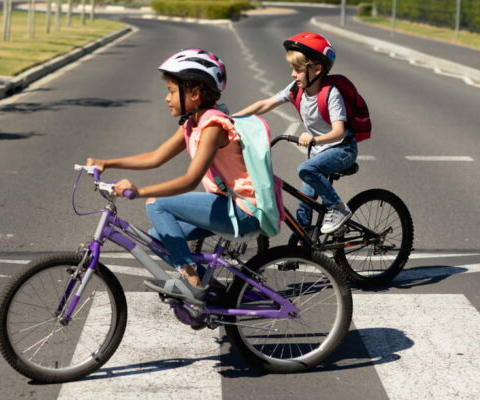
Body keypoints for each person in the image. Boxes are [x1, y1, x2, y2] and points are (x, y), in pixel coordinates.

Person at [85, 49, 259, 306]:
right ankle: (213, 295)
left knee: (157, 202)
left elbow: (190, 180)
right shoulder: (193, 123)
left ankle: (193, 285)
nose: (166, 98)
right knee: (159, 238)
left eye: (170, 90)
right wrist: (107, 163)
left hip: (243, 210)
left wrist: (142, 192)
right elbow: (155, 157)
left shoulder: (213, 127)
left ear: (195, 94)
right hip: (226, 206)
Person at [235, 32, 356, 234]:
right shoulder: (295, 89)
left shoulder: (331, 94)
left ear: (317, 69)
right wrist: (230, 119)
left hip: (342, 149)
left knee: (306, 170)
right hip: (320, 153)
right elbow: (265, 103)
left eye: (298, 70)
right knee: (304, 203)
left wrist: (315, 139)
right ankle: (303, 244)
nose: (293, 74)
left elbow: (338, 132)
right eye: (293, 69)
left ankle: (338, 208)